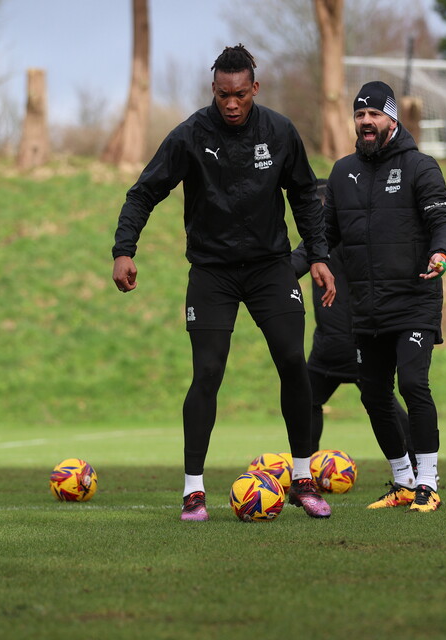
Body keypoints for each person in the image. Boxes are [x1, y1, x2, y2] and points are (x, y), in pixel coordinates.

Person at [112, 44, 336, 521]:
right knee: (208, 373)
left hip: (270, 267)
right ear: (213, 89)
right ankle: (194, 491)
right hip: (212, 272)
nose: (231, 104)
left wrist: (318, 256)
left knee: (294, 361)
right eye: (222, 95)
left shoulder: (278, 131)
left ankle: (301, 478)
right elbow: (144, 192)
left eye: (239, 94)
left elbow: (303, 194)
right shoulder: (190, 134)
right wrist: (124, 250)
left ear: (254, 87)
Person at [323, 81, 446, 513]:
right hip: (367, 307)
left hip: (415, 298)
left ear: (392, 119)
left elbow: (445, 220)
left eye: (373, 115)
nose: (365, 122)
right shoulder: (342, 173)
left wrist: (441, 252)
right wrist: (285, 269)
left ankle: (429, 482)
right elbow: (322, 238)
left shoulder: (421, 167)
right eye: (359, 115)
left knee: (413, 383)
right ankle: (403, 480)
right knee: (373, 393)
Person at [290, 181, 418, 505]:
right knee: (320, 399)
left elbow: (291, 267)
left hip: (352, 339)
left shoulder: (346, 239)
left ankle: (306, 473)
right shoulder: (324, 242)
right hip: (334, 343)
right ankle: (418, 464)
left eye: (314, 206)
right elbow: (290, 267)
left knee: (373, 401)